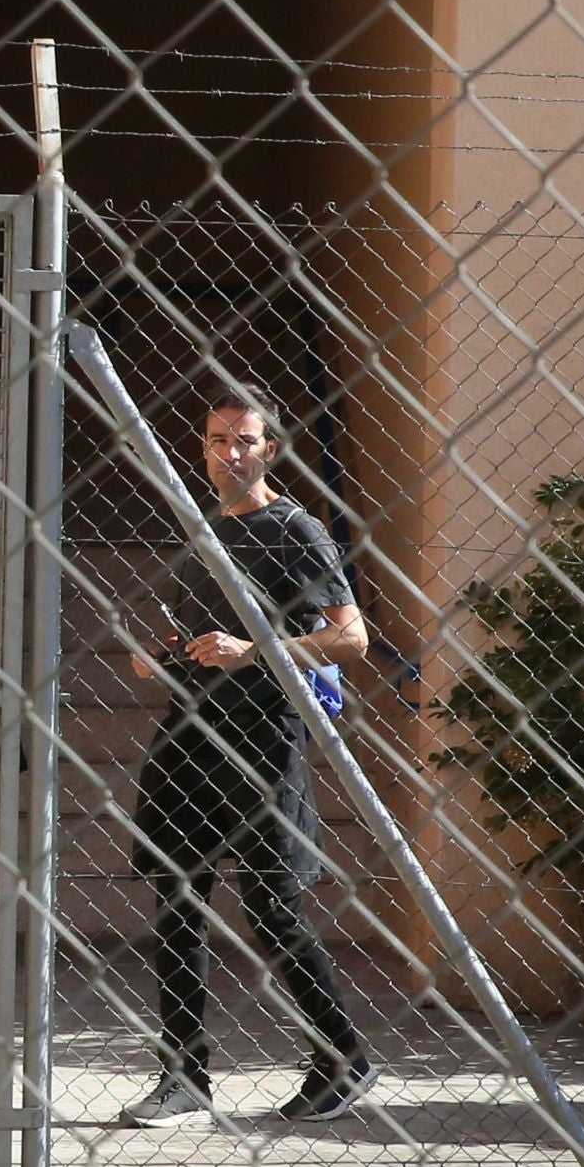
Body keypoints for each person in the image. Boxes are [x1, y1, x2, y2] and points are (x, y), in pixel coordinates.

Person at [118, 384, 374, 1128]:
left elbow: (351, 637)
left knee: (270, 906)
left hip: (263, 740)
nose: (230, 452)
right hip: (188, 735)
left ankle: (343, 1057)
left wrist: (253, 649)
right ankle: (184, 1074)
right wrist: (162, 656)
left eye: (245, 439)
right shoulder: (202, 529)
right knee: (175, 899)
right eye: (217, 439)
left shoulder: (295, 529)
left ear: (271, 448)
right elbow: (200, 632)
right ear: (201, 449)